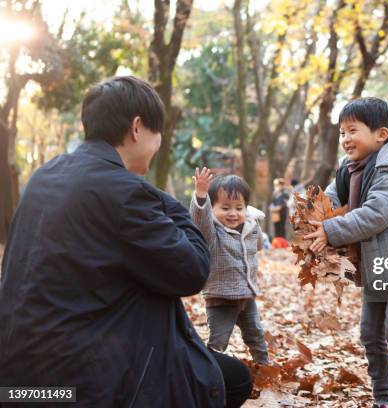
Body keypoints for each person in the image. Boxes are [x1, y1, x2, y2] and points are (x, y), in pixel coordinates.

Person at [0, 76, 252, 408]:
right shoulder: (125, 193)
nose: (159, 141)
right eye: (157, 131)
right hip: (75, 384)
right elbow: (192, 270)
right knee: (232, 380)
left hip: (18, 378)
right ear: (137, 128)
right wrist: (171, 204)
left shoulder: (45, 176)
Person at [305, 97, 388, 408]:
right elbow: (334, 200)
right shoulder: (350, 170)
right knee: (370, 332)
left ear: (381, 134)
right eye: (342, 133)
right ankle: (383, 398)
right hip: (379, 264)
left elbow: (375, 214)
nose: (345, 139)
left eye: (352, 130)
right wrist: (314, 216)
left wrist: (332, 231)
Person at [190, 170, 269, 365]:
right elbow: (200, 220)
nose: (233, 213)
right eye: (225, 208)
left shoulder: (251, 226)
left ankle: (264, 367)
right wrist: (201, 195)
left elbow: (257, 245)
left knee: (256, 334)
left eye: (238, 208)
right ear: (213, 209)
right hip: (221, 299)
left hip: (247, 296)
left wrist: (251, 220)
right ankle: (211, 371)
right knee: (219, 340)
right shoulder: (212, 233)